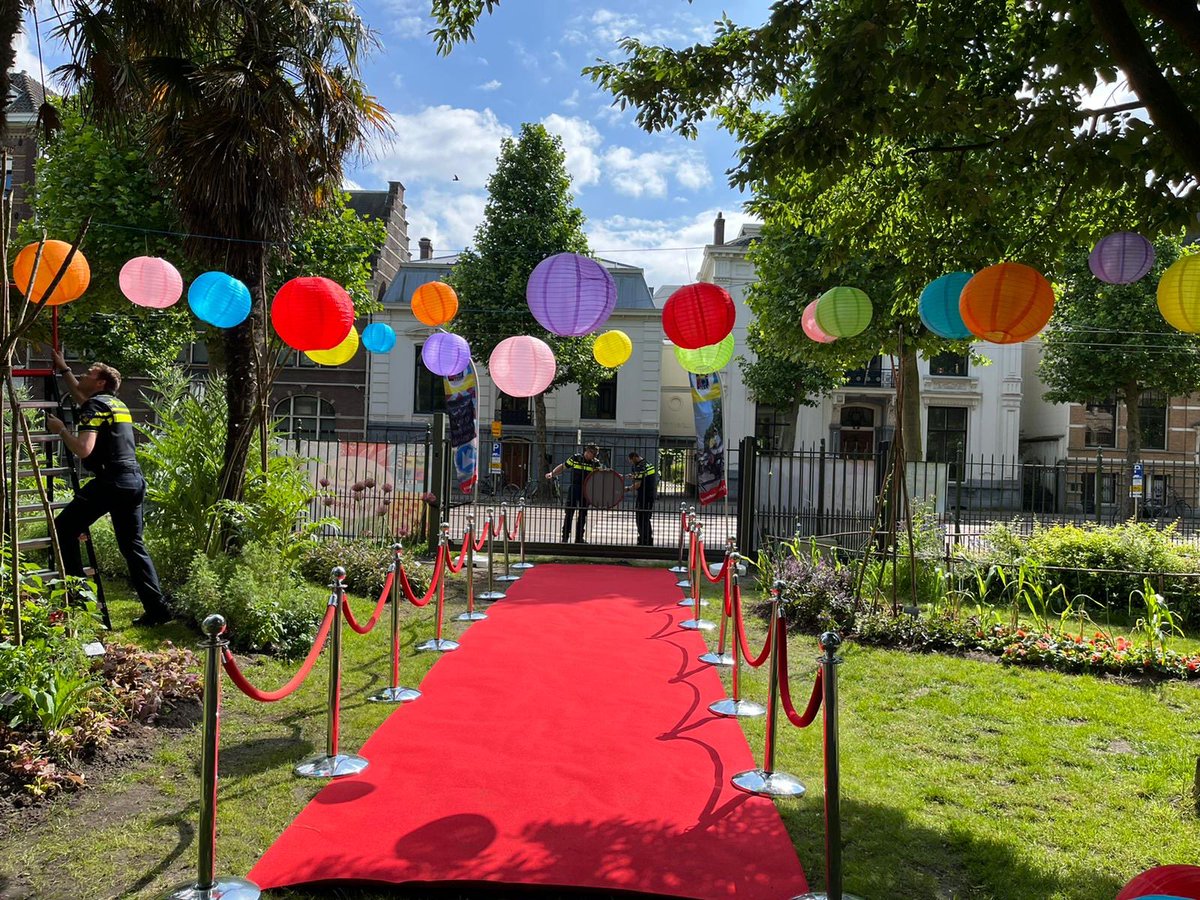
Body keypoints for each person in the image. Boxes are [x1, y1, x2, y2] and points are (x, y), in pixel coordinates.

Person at [46, 349, 172, 626]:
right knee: (132, 546)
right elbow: (82, 396)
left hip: (111, 481)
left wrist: (61, 430)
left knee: (64, 528)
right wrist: (65, 369)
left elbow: (83, 449)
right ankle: (158, 610)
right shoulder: (114, 405)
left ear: (101, 382)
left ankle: (79, 602)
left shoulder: (95, 407)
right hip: (133, 481)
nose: (83, 375)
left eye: (89, 373)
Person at [547, 443, 603, 543]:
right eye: (593, 454)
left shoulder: (595, 463)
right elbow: (563, 466)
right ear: (587, 451)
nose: (594, 456)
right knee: (569, 512)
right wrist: (552, 473)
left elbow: (598, 476)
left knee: (583, 513)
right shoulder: (576, 458)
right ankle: (565, 537)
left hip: (587, 490)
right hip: (575, 487)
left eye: (596, 455)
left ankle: (579, 538)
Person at [626, 450, 658, 546]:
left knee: (640, 518)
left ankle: (643, 540)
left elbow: (638, 484)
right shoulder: (648, 464)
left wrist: (627, 489)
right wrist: (633, 476)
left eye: (631, 461)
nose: (631, 463)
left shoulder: (639, 467)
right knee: (646, 518)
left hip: (643, 495)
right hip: (650, 495)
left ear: (634, 457)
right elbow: (645, 477)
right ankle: (648, 540)